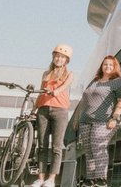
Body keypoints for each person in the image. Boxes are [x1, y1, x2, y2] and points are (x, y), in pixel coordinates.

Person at [78, 56, 121, 186]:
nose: (108, 67)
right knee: (88, 150)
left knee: (98, 146)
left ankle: (101, 178)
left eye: (111, 65)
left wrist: (114, 118)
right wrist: (76, 119)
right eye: (105, 64)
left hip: (104, 120)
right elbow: (84, 101)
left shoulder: (118, 82)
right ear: (102, 66)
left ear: (115, 67)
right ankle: (90, 179)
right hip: (85, 120)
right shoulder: (94, 81)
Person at [31, 43, 75, 187]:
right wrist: (34, 108)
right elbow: (41, 93)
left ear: (66, 60)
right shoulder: (46, 74)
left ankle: (51, 179)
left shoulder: (69, 74)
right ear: (53, 57)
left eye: (62, 57)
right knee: (42, 146)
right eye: (57, 56)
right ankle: (40, 178)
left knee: (56, 147)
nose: (59, 59)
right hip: (43, 110)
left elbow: (64, 86)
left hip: (60, 110)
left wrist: (56, 91)